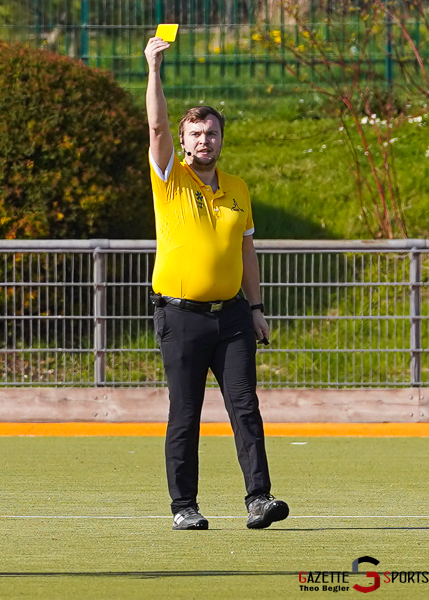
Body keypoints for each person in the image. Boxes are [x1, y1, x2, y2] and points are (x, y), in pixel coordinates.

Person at [144, 34, 289, 530]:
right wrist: (154, 71)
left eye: (211, 133)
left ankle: (259, 499)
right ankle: (184, 506)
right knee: (185, 414)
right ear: (182, 143)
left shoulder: (238, 189)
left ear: (221, 138)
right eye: (195, 134)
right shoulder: (169, 177)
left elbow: (246, 248)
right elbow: (156, 122)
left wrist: (255, 307)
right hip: (180, 315)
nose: (204, 140)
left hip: (231, 317)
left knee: (245, 407)